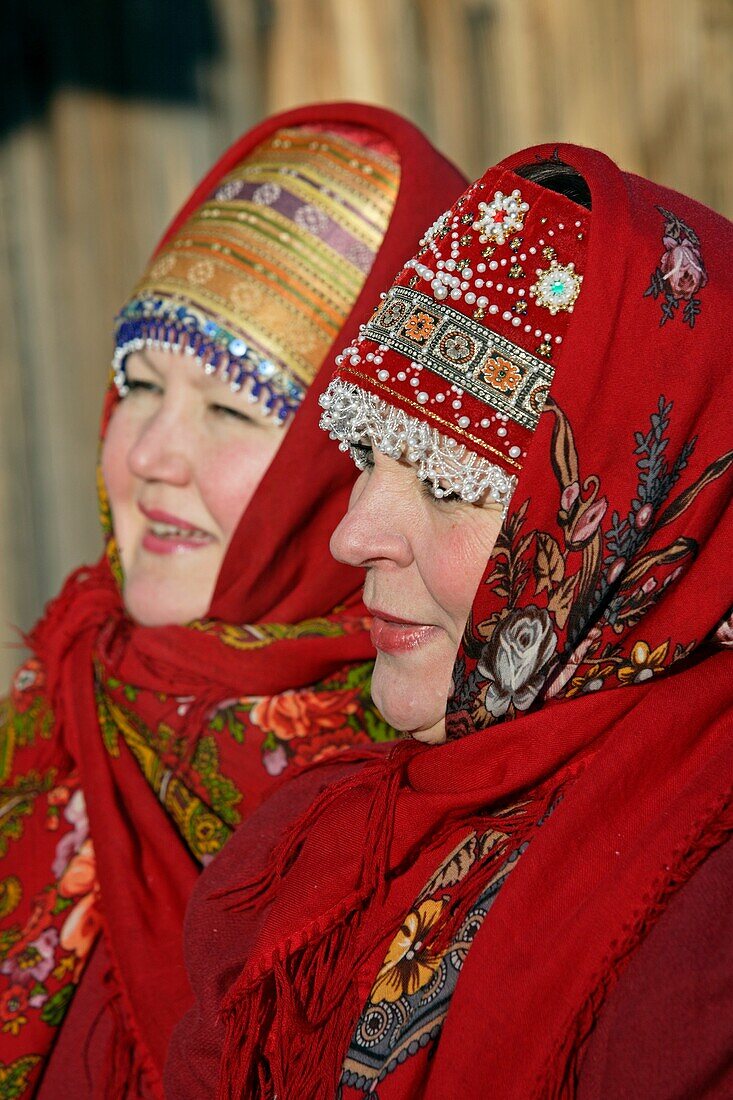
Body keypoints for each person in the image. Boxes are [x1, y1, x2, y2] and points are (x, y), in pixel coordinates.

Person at [166, 143, 733, 1098]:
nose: (352, 536)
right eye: (365, 454)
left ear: (626, 520)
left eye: (448, 485)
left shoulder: (698, 919)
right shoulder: (328, 841)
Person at [0, 103, 467, 1097]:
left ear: (345, 461)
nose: (152, 456)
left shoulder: (437, 788)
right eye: (137, 382)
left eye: (230, 406)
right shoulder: (54, 711)